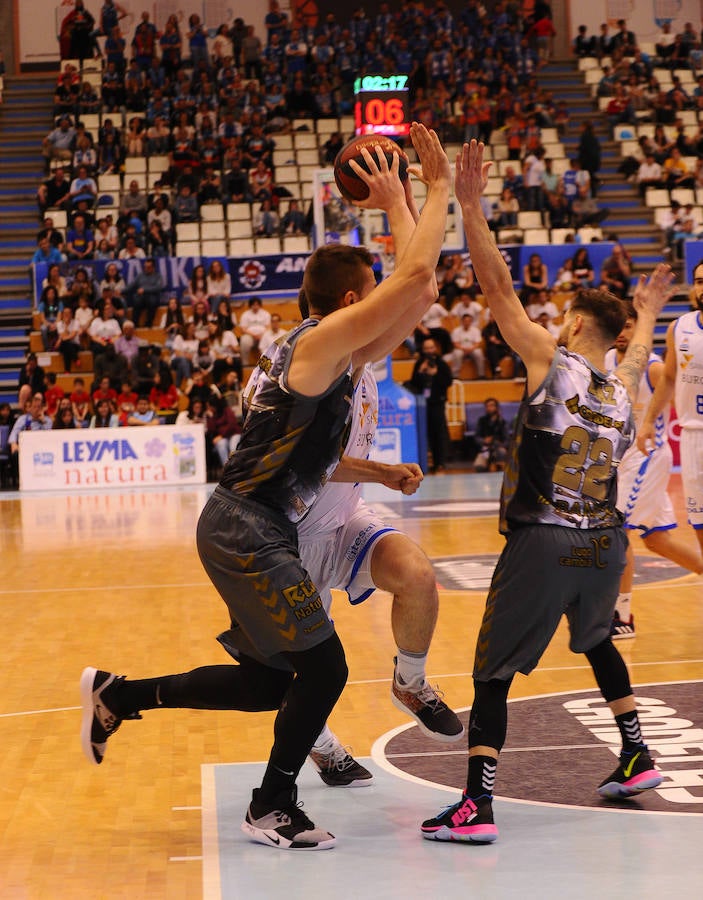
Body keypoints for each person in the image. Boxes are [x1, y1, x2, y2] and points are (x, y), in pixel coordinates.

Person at [80, 124, 451, 851]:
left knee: (269, 686)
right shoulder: (313, 348)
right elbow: (409, 282)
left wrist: (401, 201)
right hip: (246, 526)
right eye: (367, 295)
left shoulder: (344, 354)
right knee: (326, 668)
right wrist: (431, 191)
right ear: (349, 300)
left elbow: (421, 286)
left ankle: (117, 694)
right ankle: (271, 805)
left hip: (258, 527)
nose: (382, 303)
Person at [421, 139, 673, 845]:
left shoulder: (551, 362)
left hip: (543, 537)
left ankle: (476, 804)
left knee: (491, 672)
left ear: (568, 327)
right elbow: (630, 353)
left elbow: (497, 286)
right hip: (602, 540)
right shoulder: (622, 392)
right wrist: (646, 312)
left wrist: (470, 206)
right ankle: (634, 753)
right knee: (595, 641)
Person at [605, 305, 703, 638]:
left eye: (630, 326)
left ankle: (622, 616)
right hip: (621, 459)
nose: (623, 332)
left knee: (617, 533)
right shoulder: (605, 362)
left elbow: (682, 395)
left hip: (648, 456)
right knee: (658, 541)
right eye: (619, 325)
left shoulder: (654, 368)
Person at [638, 261, 703, 564]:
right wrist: (649, 421)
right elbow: (668, 379)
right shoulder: (680, 328)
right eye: (699, 281)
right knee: (700, 527)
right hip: (693, 438)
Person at [409, 336, 453, 473]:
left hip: (437, 403)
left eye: (431, 347)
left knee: (439, 433)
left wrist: (436, 374)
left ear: (435, 348)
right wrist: (421, 372)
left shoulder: (441, 364)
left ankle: (440, 462)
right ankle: (426, 463)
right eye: (426, 348)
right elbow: (413, 383)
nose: (429, 350)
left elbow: (448, 382)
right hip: (423, 405)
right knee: (425, 432)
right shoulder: (419, 363)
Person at [472, 397, 509, 472]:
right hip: (485, 448)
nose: (489, 408)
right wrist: (484, 440)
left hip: (499, 448)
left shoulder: (502, 422)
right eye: (487, 406)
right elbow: (476, 437)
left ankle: (498, 464)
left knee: (501, 453)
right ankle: (489, 464)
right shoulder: (481, 421)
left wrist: (501, 445)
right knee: (479, 467)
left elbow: (507, 440)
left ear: (496, 407)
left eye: (492, 405)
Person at [238, 296, 272, 365]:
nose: (255, 306)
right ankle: (245, 363)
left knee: (269, 338)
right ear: (250, 305)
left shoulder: (265, 314)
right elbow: (243, 329)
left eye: (257, 305)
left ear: (260, 305)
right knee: (244, 340)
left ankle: (267, 362)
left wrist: (261, 335)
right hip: (250, 335)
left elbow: (268, 327)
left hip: (263, 335)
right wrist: (254, 335)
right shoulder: (245, 314)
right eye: (253, 305)